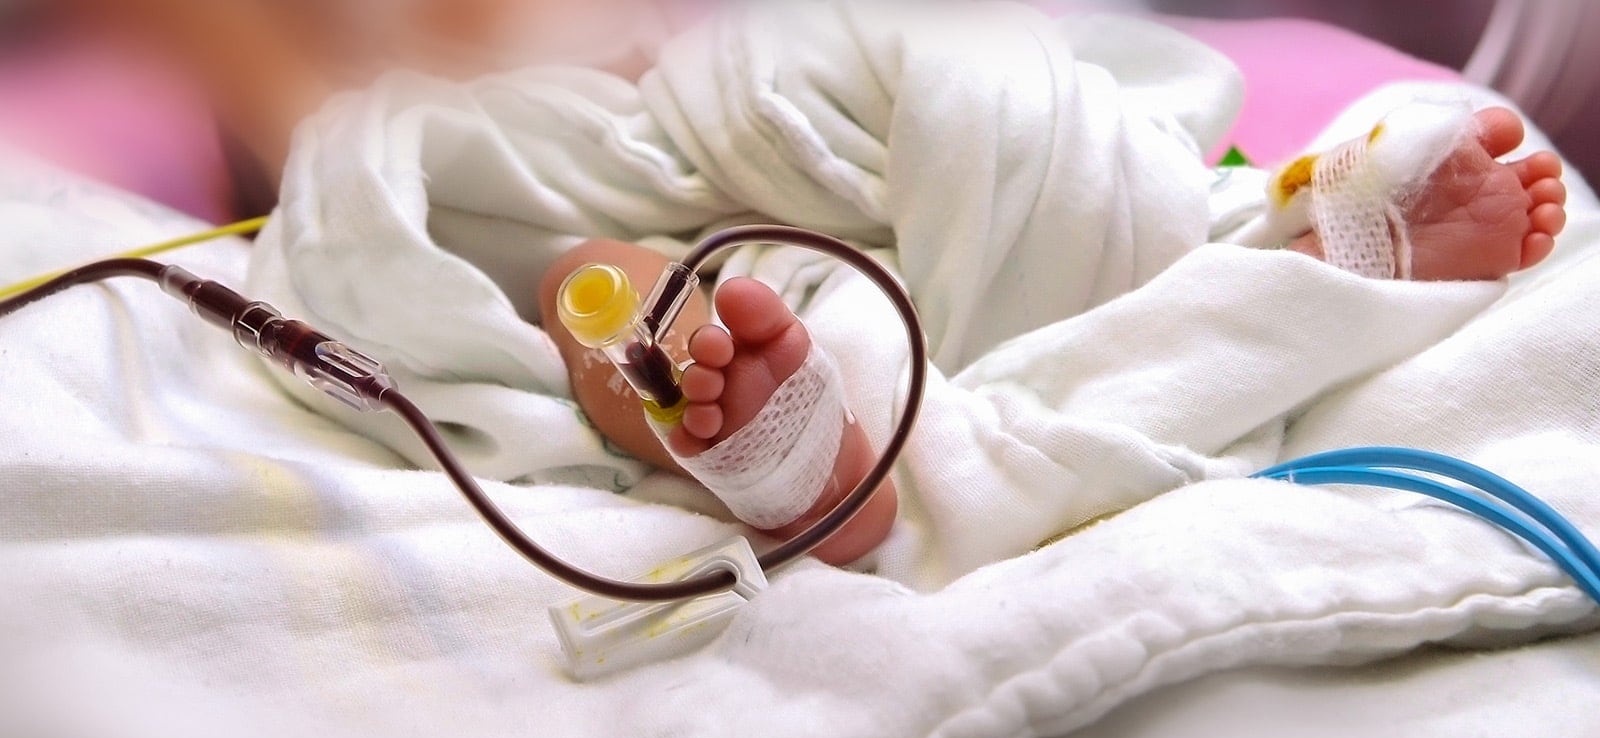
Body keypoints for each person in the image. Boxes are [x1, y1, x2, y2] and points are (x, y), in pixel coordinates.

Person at [78, 0, 1569, 565]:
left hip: (780, 108)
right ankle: (747, 429)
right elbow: (314, 148)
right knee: (627, 285)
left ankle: (1270, 244)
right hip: (573, 172)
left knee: (986, 94)